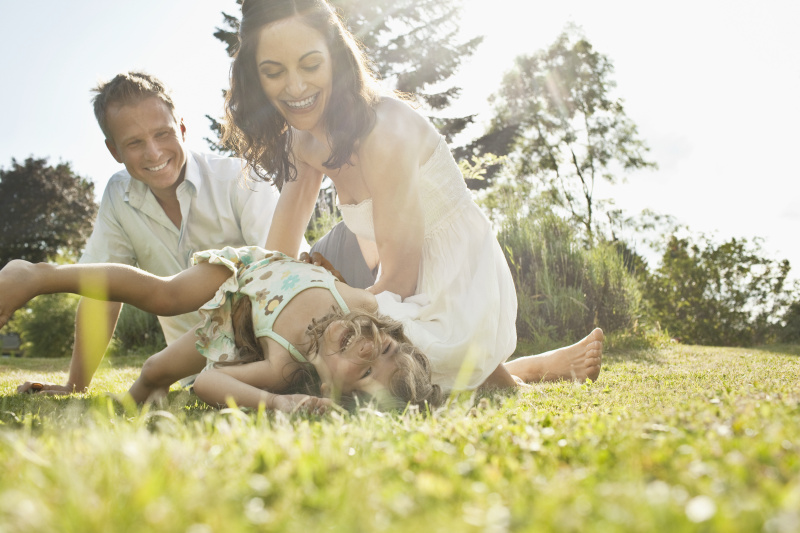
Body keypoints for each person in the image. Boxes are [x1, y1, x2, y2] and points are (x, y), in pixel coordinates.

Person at [221, 0, 602, 390]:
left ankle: (510, 375)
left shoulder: (384, 130)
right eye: (273, 72)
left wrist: (315, 316)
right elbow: (276, 261)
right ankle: (516, 369)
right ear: (255, 77)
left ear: (336, 57)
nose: (296, 87)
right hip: (394, 290)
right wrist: (256, 316)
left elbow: (400, 280)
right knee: (317, 355)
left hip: (454, 287)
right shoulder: (300, 144)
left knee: (361, 363)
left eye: (311, 65)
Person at [16, 72, 282, 395]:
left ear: (182, 129)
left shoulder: (242, 178)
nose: (154, 153)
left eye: (163, 134)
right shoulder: (119, 195)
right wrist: (75, 386)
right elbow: (102, 292)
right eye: (134, 142)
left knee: (154, 370)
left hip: (273, 355)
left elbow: (284, 275)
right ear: (114, 150)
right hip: (196, 379)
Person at [1, 248, 442, 412]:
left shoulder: (282, 367)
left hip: (236, 329)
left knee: (156, 371)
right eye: (382, 345)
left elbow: (207, 381)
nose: (365, 348)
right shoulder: (361, 303)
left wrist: (279, 403)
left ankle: (116, 409)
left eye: (365, 372)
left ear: (332, 393)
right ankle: (38, 276)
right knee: (167, 295)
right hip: (249, 270)